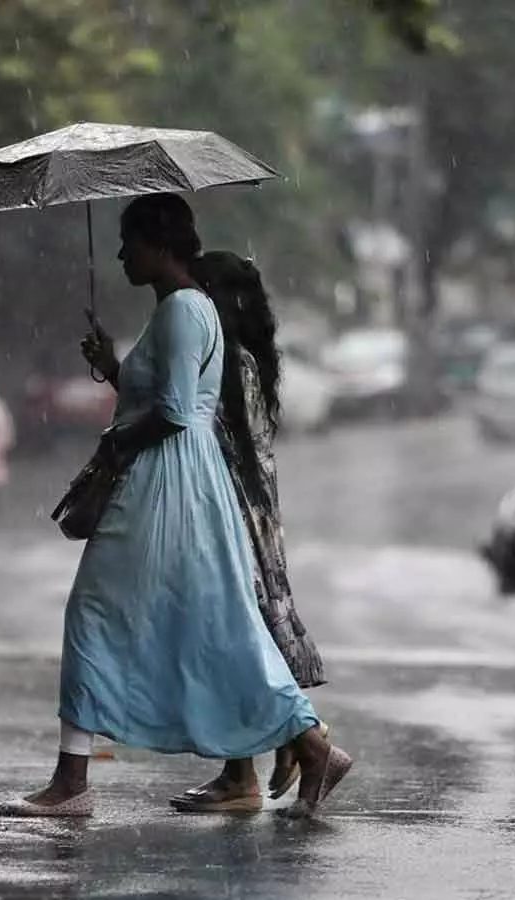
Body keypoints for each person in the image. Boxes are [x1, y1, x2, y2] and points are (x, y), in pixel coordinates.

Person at [0, 194, 347, 819]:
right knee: (214, 623)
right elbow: (167, 394)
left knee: (96, 614)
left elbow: (179, 411)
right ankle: (309, 743)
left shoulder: (182, 309)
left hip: (165, 483)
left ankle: (71, 783)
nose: (124, 255)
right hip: (185, 480)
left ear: (160, 244)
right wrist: (115, 368)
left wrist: (117, 440)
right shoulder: (187, 308)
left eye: (131, 243)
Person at [165, 250, 345, 813]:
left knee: (236, 637)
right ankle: (254, 761)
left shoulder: (227, 363)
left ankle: (298, 743)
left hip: (234, 514)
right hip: (250, 511)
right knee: (240, 636)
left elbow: (195, 428)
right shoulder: (250, 358)